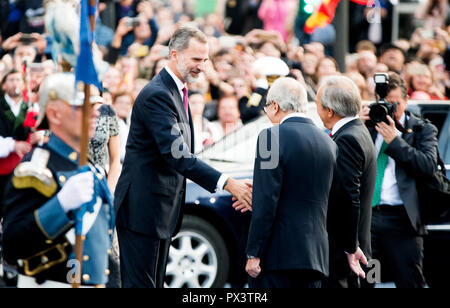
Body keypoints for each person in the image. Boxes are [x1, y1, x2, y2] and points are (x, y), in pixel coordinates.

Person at [114, 26, 253, 288]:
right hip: (142, 212)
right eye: (196, 59)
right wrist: (228, 183)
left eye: (205, 59)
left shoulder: (178, 91)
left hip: (160, 212)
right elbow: (178, 155)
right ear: (174, 55)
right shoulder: (158, 95)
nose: (202, 66)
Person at [1, 73, 114, 287]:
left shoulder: (87, 165)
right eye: (82, 107)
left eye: (95, 107)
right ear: (55, 114)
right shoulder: (36, 168)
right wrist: (60, 206)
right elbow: (12, 244)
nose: (94, 114)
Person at [243, 77, 337, 288]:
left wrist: (254, 252)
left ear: (275, 106)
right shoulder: (329, 142)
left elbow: (267, 200)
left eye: (266, 107)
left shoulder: (270, 136)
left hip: (279, 256)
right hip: (316, 257)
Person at [360, 72, 438, 288]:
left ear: (406, 101)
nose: (390, 110)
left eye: (396, 104)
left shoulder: (422, 129)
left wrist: (395, 141)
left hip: (402, 219)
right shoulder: (368, 126)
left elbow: (428, 166)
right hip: (368, 219)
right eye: (385, 103)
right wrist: (355, 125)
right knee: (366, 280)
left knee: (408, 280)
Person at [315, 76, 377, 288]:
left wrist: (350, 247)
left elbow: (348, 197)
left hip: (344, 248)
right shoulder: (357, 131)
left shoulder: (347, 138)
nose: (317, 110)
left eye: (317, 105)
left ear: (329, 111)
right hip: (350, 243)